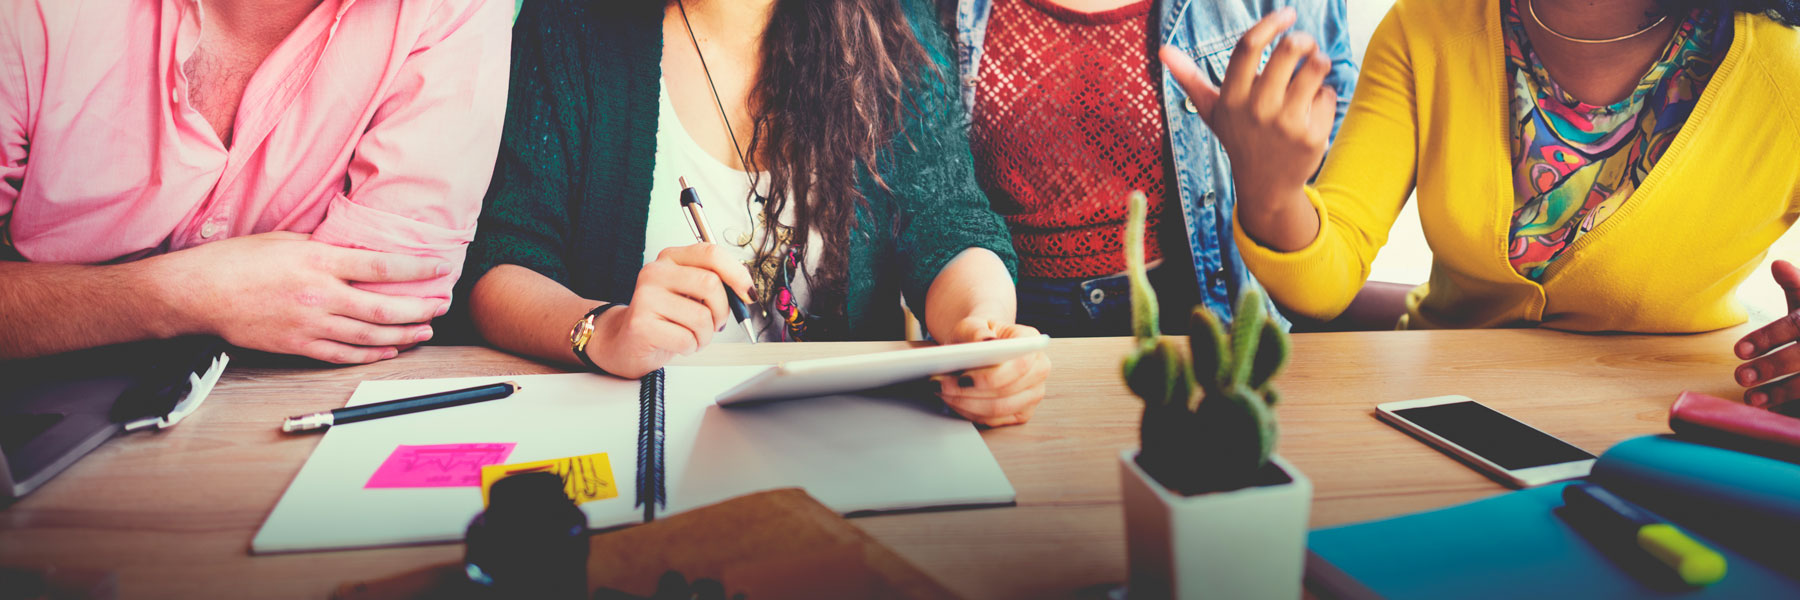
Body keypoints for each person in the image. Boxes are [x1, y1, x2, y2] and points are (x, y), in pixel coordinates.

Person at [1166, 0, 1799, 403]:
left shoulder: (1784, 72)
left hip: (1675, 432)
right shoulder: (1425, 27)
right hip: (1438, 417)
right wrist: (1271, 191)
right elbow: (1325, 279)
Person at [460, 0, 1050, 427]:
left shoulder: (891, 20)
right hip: (640, 436)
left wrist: (982, 330)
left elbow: (948, 228)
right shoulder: (572, 23)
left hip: (843, 438)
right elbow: (502, 262)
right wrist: (603, 329)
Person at [0, 0, 512, 364]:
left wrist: (62, 304)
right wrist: (188, 294)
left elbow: (385, 306)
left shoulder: (451, 9)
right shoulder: (37, 13)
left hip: (287, 415)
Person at [943, 0, 1356, 337]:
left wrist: (1276, 192)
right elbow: (930, 202)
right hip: (1005, 319)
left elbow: (1335, 128)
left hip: (1201, 317)